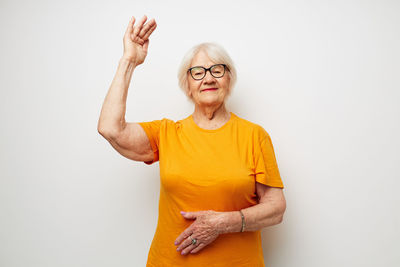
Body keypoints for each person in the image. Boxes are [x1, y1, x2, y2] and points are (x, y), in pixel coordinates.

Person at [97, 15, 287, 267]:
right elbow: (110, 129)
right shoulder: (166, 133)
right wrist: (129, 61)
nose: (208, 78)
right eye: (197, 72)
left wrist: (221, 223)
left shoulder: (254, 136)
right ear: (187, 85)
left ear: (228, 79)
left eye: (217, 70)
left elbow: (276, 208)